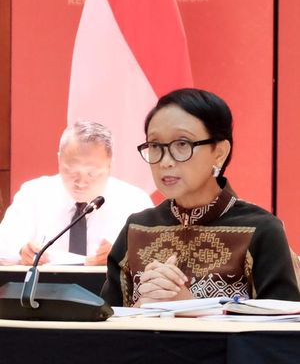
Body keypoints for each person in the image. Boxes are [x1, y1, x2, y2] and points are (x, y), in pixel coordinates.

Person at [101, 88, 300, 306]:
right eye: (156, 146)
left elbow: (282, 332)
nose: (166, 161)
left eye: (182, 144)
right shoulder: (137, 228)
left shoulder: (260, 230)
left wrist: (190, 307)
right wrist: (139, 310)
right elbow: (104, 324)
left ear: (219, 152)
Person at [0, 120, 154, 266]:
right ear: (59, 160)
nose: (81, 182)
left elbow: (156, 258)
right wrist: (21, 252)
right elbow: (3, 247)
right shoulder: (33, 194)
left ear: (109, 166)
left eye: (92, 174)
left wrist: (124, 257)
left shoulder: (135, 201)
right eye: (71, 171)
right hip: (47, 291)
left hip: (110, 292)